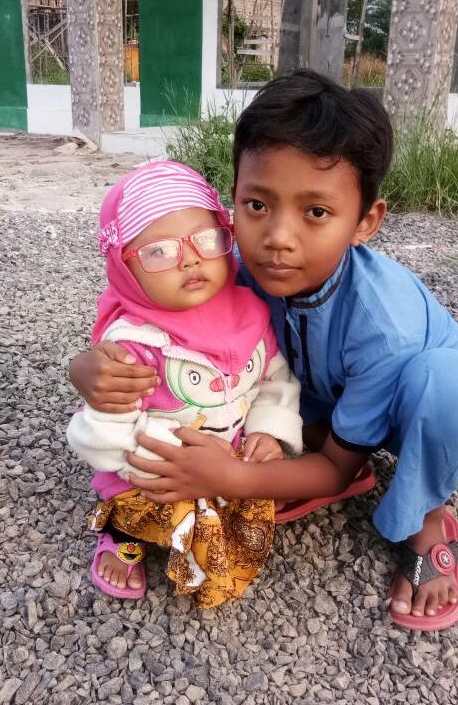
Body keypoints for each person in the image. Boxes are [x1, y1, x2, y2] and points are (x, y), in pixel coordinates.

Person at [69, 71, 458, 631]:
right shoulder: (227, 264)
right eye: (257, 204)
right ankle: (319, 444)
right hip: (323, 394)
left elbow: (332, 471)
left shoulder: (385, 329)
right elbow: (137, 300)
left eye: (316, 212)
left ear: (365, 221)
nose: (278, 237)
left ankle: (427, 518)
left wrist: (232, 479)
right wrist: (87, 366)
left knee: (443, 391)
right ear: (232, 199)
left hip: (410, 405)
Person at [67, 161, 304, 609]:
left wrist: (268, 431)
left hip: (227, 456)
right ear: (124, 267)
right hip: (159, 471)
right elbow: (106, 433)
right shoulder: (133, 347)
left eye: (206, 239)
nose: (191, 259)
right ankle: (123, 535)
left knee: (247, 507)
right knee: (141, 509)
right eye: (159, 251)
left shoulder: (251, 311)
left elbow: (274, 378)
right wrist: (161, 464)